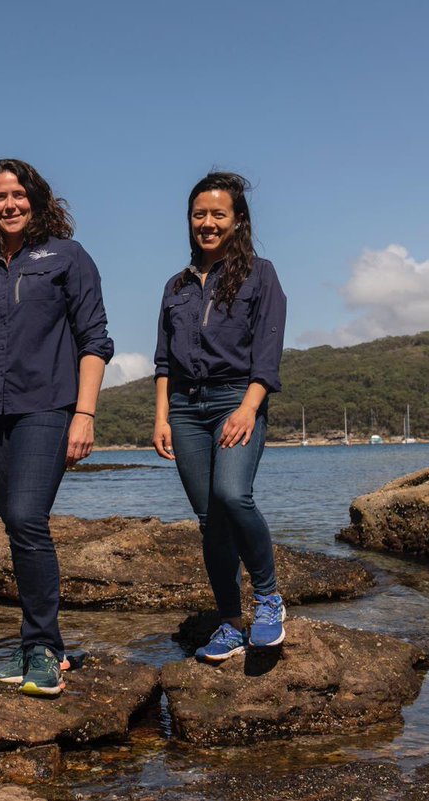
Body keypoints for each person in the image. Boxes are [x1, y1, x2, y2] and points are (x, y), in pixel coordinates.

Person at [0, 158, 112, 696]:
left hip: (47, 407)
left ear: (36, 200)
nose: (9, 204)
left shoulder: (67, 256)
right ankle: (38, 646)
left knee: (26, 517)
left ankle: (42, 647)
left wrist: (84, 414)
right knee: (18, 530)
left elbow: (94, 338)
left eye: (19, 194)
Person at [151, 171, 287, 662]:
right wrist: (162, 417)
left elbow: (267, 354)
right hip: (185, 407)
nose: (207, 223)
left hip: (236, 397)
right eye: (198, 214)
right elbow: (163, 360)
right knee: (210, 521)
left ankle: (269, 599)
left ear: (237, 219)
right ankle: (230, 622)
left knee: (233, 495)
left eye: (217, 214)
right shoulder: (177, 285)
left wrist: (249, 408)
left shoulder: (260, 274)